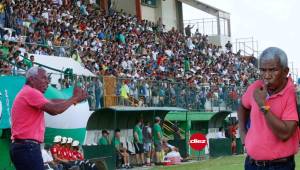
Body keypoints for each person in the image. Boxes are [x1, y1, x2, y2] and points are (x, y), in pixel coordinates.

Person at [10, 66, 87, 170]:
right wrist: (74, 98)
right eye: (43, 78)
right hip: (27, 147)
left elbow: (52, 102)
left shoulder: (28, 92)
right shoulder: (31, 92)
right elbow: (54, 109)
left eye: (48, 79)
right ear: (32, 79)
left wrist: (73, 100)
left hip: (23, 147)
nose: (47, 82)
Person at [238, 47, 298, 170]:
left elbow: (285, 133)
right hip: (252, 164)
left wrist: (263, 105)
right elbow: (242, 106)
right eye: (263, 70)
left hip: (280, 165)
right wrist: (243, 132)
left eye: (273, 70)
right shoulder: (255, 87)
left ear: (285, 71)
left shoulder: (292, 94)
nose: (267, 75)